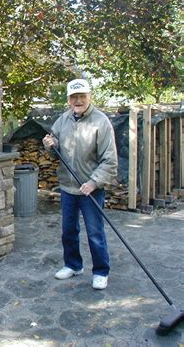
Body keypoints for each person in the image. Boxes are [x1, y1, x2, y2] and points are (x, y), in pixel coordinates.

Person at [42, 78, 118, 290]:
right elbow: (53, 144)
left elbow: (110, 160)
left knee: (95, 233)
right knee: (68, 230)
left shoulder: (100, 122)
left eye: (82, 96)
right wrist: (49, 144)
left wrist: (93, 183)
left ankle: (101, 271)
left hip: (90, 190)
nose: (78, 100)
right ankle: (73, 265)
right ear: (68, 100)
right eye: (74, 97)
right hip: (68, 187)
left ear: (89, 97)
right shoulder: (63, 120)